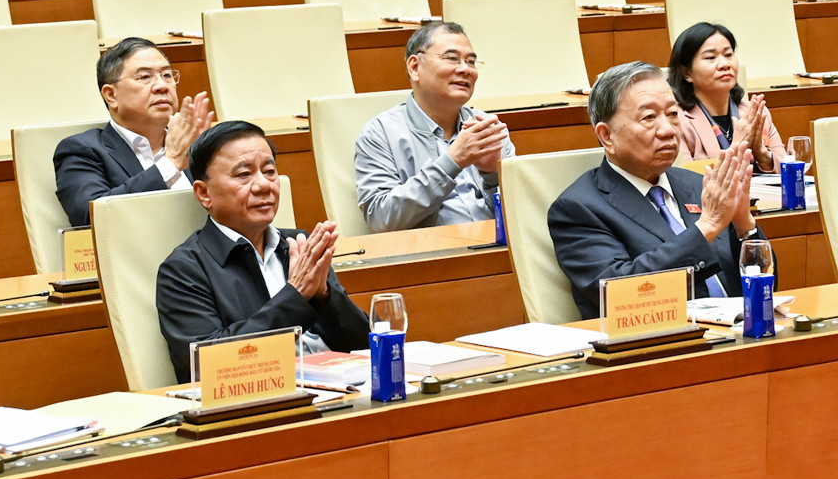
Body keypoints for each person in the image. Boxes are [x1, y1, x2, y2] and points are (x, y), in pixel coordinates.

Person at [155, 121, 370, 384]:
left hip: (334, 391)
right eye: (244, 175)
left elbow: (362, 345)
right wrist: (297, 295)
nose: (263, 185)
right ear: (203, 193)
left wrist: (324, 296)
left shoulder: (297, 245)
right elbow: (207, 365)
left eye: (269, 172)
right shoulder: (183, 269)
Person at [547, 61, 763, 319]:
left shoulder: (698, 185)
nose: (668, 130)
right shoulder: (579, 208)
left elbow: (766, 287)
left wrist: (743, 225)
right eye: (649, 117)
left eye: (673, 114)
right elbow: (619, 292)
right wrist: (707, 226)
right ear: (607, 136)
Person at [353, 22, 513, 232]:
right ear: (414, 67)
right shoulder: (380, 134)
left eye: (471, 61)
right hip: (433, 258)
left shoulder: (488, 128)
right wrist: (451, 162)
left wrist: (492, 175)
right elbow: (381, 219)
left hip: (497, 251)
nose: (465, 69)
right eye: (452, 58)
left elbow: (520, 213)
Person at [54, 38, 213, 226]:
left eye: (167, 75)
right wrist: (170, 164)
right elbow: (92, 217)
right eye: (145, 77)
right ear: (111, 95)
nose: (162, 86)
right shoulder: (82, 150)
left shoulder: (197, 145)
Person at [667, 22, 787, 168]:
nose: (724, 64)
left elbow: (788, 172)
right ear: (687, 73)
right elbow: (686, 182)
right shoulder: (676, 120)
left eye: (728, 54)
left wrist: (763, 155)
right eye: (711, 57)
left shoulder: (755, 113)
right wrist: (736, 145)